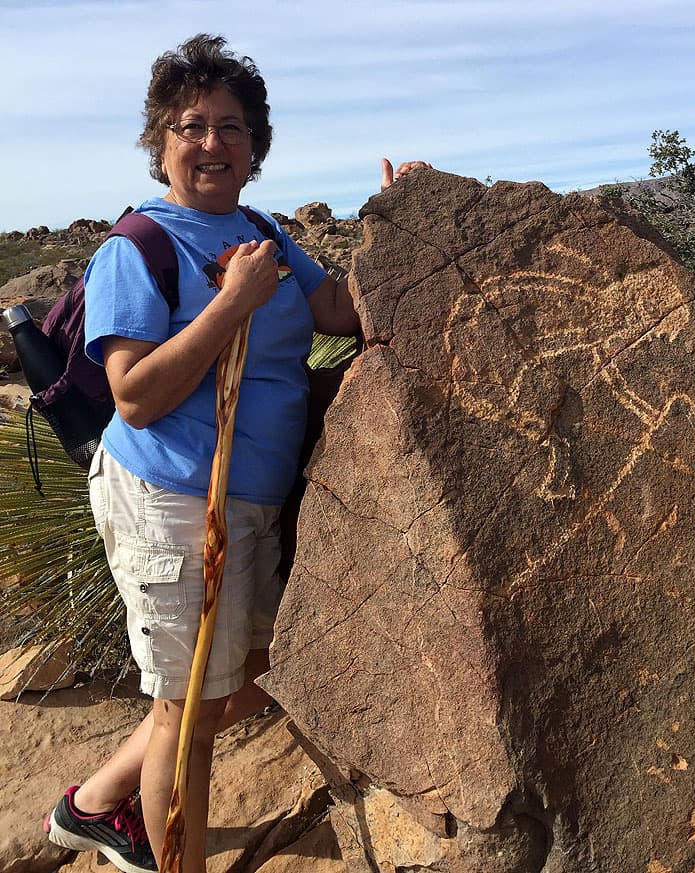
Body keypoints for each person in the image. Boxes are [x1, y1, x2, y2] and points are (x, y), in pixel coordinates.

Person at [43, 33, 431, 873]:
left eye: (231, 126)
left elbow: (337, 310)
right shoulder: (136, 248)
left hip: (251, 498)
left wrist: (396, 230)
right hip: (173, 496)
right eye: (191, 126)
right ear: (161, 143)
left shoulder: (261, 230)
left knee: (235, 684)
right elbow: (136, 395)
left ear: (255, 146)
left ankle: (95, 802)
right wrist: (232, 304)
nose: (211, 142)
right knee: (190, 715)